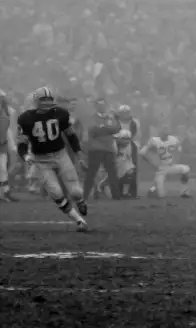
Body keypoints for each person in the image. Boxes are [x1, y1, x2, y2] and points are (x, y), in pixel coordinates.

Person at [15, 87, 88, 231]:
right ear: (36, 101)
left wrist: (79, 155)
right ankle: (79, 220)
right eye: (43, 99)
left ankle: (80, 201)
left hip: (60, 154)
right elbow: (21, 144)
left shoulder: (61, 113)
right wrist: (26, 156)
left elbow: (71, 136)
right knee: (56, 192)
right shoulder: (25, 118)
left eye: (49, 99)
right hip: (40, 160)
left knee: (76, 192)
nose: (47, 102)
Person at [82, 98, 122, 200]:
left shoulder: (110, 117)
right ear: (96, 106)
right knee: (91, 173)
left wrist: (103, 128)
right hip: (95, 149)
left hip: (108, 149)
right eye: (100, 105)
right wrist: (107, 129)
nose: (102, 107)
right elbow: (93, 130)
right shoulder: (92, 118)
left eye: (103, 105)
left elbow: (116, 128)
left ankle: (116, 196)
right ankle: (85, 195)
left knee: (112, 173)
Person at [141, 127, 192, 199]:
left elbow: (179, 150)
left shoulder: (173, 139)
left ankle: (184, 192)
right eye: (163, 133)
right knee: (161, 195)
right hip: (161, 168)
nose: (164, 135)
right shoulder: (154, 141)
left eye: (166, 133)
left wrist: (175, 159)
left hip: (171, 165)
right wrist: (152, 162)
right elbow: (143, 153)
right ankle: (152, 190)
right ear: (160, 133)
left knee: (186, 169)